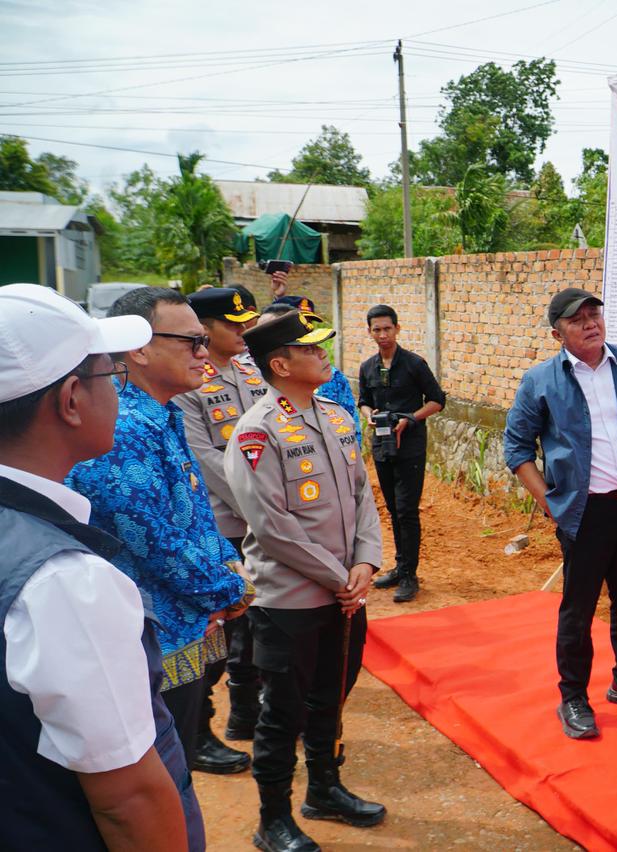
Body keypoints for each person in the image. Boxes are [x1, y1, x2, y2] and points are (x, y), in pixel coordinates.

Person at [0, 284, 194, 850]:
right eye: (111, 375)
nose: (119, 391)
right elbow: (128, 800)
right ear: (70, 400)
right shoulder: (62, 581)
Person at [67, 286, 251, 781]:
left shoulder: (161, 413)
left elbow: (193, 509)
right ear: (140, 349)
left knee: (178, 762)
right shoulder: (124, 425)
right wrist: (227, 586)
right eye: (192, 341)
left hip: (178, 626)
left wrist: (224, 562)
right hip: (147, 638)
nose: (204, 352)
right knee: (161, 778)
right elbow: (150, 535)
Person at [225, 310, 385, 851]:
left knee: (330, 697)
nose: (323, 354)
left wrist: (366, 562)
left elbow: (362, 496)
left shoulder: (336, 416)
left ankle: (324, 789)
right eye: (311, 348)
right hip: (290, 601)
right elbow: (271, 526)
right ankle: (273, 819)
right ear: (280, 364)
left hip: (345, 592)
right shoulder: (257, 432)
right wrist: (342, 577)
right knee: (283, 712)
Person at [504, 287, 617, 740]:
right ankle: (574, 697)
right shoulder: (541, 381)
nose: (590, 324)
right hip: (582, 513)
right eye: (577, 319)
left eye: (594, 314)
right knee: (578, 610)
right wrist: (549, 502)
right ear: (557, 333)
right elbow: (516, 447)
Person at [174, 288, 267, 767]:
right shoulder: (190, 382)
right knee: (217, 627)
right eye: (232, 324)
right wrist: (260, 505)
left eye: (245, 322)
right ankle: (198, 730)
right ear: (204, 329)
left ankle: (246, 712)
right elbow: (205, 458)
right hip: (223, 524)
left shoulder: (253, 371)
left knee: (256, 620)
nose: (243, 330)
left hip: (263, 518)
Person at [357, 304, 447, 603]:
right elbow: (364, 401)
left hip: (410, 446)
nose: (383, 334)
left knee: (407, 510)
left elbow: (437, 400)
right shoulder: (368, 367)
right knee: (393, 508)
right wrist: (370, 415)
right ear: (369, 332)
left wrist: (410, 418)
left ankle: (410, 575)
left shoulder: (414, 364)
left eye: (387, 328)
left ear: (397, 329)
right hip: (382, 446)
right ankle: (399, 566)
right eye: (377, 330)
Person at [259, 303, 362, 445]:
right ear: (280, 366)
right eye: (308, 349)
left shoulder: (335, 411)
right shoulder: (261, 428)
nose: (323, 353)